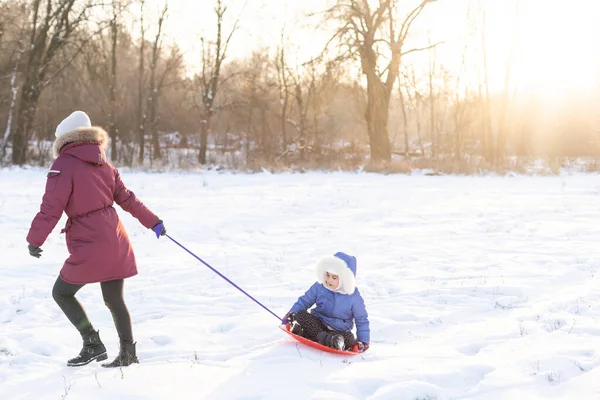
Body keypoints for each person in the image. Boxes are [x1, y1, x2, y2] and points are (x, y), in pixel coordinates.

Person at [26, 111, 166, 368]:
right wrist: (154, 222)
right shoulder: (106, 165)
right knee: (115, 300)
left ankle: (92, 343)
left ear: (64, 139)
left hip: (90, 242)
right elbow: (128, 199)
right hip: (115, 238)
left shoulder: (63, 164)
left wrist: (35, 240)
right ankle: (128, 353)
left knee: (62, 293)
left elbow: (51, 207)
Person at [282, 252, 370, 352]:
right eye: (327, 275)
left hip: (338, 331)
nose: (329, 280)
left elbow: (361, 319)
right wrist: (291, 314)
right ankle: (322, 338)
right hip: (317, 324)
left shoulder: (354, 297)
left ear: (345, 279)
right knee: (301, 314)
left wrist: (363, 341)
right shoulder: (320, 286)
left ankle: (325, 338)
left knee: (349, 338)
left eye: (334, 277)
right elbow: (305, 300)